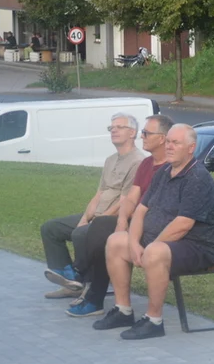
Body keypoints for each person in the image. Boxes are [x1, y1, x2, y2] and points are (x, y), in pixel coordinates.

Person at [92, 124, 214, 340]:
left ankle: (154, 321)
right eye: (168, 141)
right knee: (117, 241)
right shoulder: (164, 171)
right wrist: (134, 243)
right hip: (161, 241)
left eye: (176, 143)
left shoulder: (197, 178)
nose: (169, 146)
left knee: (155, 252)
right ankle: (123, 310)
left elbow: (182, 224)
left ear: (191, 148)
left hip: (198, 246)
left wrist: (149, 248)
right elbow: (141, 210)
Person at [66, 114, 174, 317]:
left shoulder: (169, 168)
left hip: (155, 229)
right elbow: (131, 199)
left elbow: (152, 207)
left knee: (101, 229)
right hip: (135, 221)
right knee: (107, 233)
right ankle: (92, 294)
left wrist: (125, 224)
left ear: (161, 138)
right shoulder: (146, 164)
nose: (142, 137)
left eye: (146, 133)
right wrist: (121, 222)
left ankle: (80, 276)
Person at [40, 114, 145, 298]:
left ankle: (82, 282)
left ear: (132, 133)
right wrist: (84, 219)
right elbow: (99, 193)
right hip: (97, 214)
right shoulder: (110, 160)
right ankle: (69, 280)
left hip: (112, 219)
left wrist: (99, 219)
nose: (113, 130)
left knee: (81, 234)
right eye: (111, 127)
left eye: (119, 127)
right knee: (51, 228)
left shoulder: (138, 161)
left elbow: (125, 201)